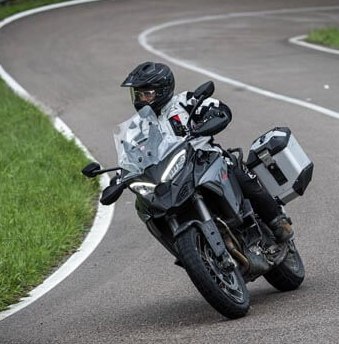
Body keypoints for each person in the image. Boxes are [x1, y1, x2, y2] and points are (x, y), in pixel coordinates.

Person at [121, 61, 293, 243]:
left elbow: (218, 108)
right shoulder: (137, 127)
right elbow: (128, 156)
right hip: (171, 175)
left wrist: (212, 118)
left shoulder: (184, 102)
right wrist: (120, 176)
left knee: (237, 171)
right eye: (137, 94)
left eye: (146, 94)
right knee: (148, 207)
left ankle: (276, 219)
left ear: (163, 90)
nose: (140, 99)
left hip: (205, 158)